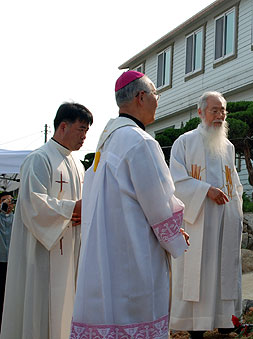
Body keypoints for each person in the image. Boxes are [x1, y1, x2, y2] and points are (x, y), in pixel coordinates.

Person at [70, 70, 189, 339]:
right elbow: (159, 204)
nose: (158, 100)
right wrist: (175, 235)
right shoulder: (140, 142)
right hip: (133, 259)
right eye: (155, 94)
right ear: (140, 97)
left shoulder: (106, 144)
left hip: (104, 257)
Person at [0, 103, 93, 339]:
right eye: (81, 129)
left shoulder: (77, 166)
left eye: (87, 131)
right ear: (63, 126)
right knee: (40, 314)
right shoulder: (39, 159)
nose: (84, 136)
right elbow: (34, 204)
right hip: (42, 255)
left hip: (69, 251)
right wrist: (73, 208)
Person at [169, 91, 244, 338]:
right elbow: (175, 180)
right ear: (201, 112)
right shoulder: (185, 142)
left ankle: (225, 320)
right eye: (215, 110)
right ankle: (195, 325)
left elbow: (234, 182)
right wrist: (205, 191)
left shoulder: (229, 147)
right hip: (198, 220)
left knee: (224, 268)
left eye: (223, 110)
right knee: (198, 271)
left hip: (224, 221)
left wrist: (235, 208)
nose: (220, 115)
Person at [0, 192, 14, 327]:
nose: (7, 203)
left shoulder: (15, 218)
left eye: (10, 201)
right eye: (4, 200)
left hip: (12, 261)